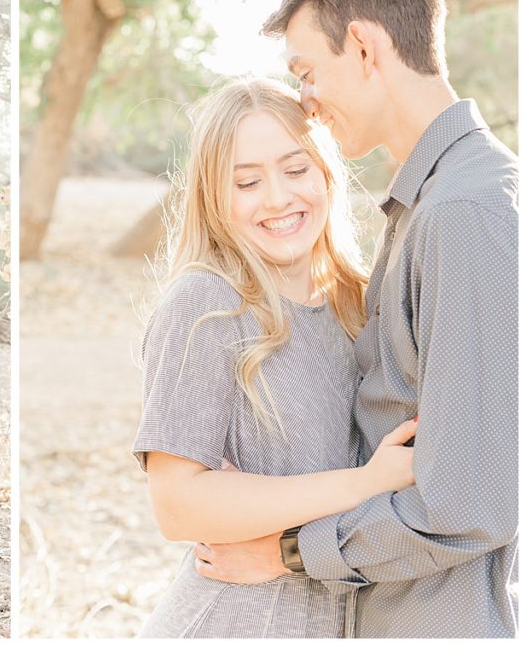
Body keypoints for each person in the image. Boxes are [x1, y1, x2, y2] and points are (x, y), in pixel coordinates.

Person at [190, 0, 518, 638]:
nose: (306, 103)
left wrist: (284, 552)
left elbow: (470, 504)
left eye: (308, 72)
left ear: (365, 48)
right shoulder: (428, 207)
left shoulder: (463, 213)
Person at [131, 77, 417, 637]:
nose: (279, 198)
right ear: (215, 196)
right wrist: (365, 482)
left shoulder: (360, 303)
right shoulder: (207, 304)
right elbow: (177, 506)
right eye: (247, 181)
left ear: (326, 173)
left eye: (295, 169)